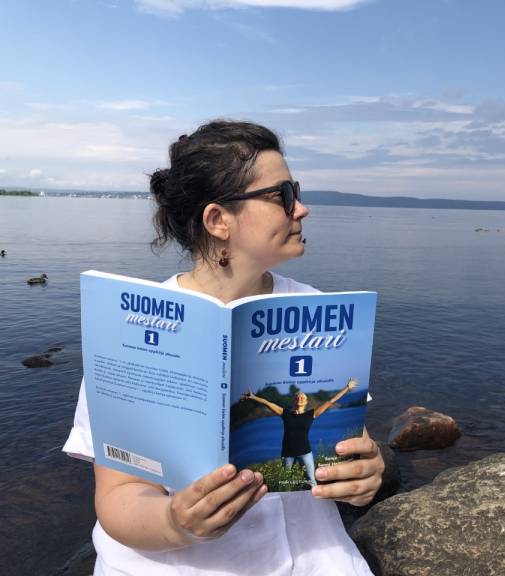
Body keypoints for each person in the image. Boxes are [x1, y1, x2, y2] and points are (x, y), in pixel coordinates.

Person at [63, 120, 384, 575]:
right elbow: (118, 495)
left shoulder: (317, 309)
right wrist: (176, 522)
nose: (303, 209)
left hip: (316, 560)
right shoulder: (133, 327)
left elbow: (350, 443)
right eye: (283, 196)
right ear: (218, 220)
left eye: (297, 191)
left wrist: (366, 474)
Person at [242, 378, 360, 486]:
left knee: (311, 481)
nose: (300, 398)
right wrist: (253, 397)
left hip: (305, 452)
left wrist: (347, 388)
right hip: (287, 453)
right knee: (285, 481)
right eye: (298, 397)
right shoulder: (286, 413)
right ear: (295, 400)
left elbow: (330, 400)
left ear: (306, 402)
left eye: (303, 397)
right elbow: (268, 403)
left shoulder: (311, 414)